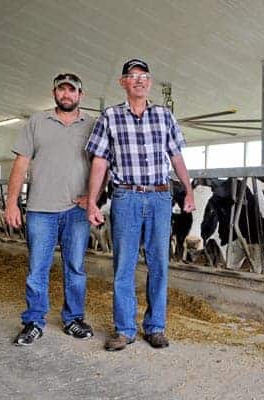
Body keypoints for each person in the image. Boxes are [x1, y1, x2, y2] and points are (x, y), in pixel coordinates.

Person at [85, 58, 195, 351]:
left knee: (159, 263)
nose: (138, 80)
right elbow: (99, 162)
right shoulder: (109, 116)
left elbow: (176, 156)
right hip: (126, 196)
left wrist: (188, 190)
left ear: (150, 82)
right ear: (123, 82)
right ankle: (124, 330)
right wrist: (92, 202)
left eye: (143, 76)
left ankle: (155, 327)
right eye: (132, 76)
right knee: (124, 265)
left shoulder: (164, 116)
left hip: (160, 196)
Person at [6, 73, 96, 346]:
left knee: (75, 267)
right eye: (62, 90)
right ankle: (34, 321)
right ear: (54, 92)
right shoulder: (37, 121)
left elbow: (101, 164)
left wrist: (93, 197)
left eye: (72, 90)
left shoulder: (92, 124)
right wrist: (11, 203)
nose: (66, 95)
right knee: (37, 268)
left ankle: (73, 319)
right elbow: (21, 164)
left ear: (81, 94)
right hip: (40, 209)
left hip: (76, 210)